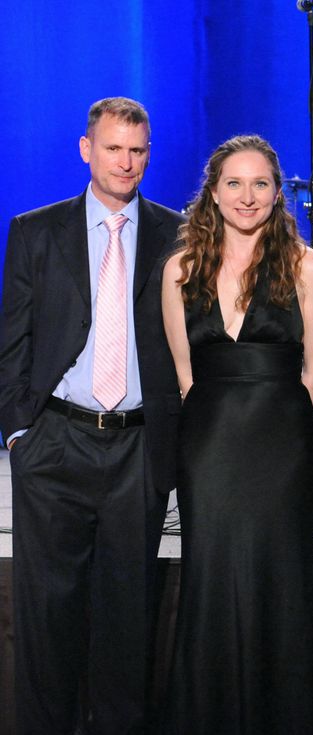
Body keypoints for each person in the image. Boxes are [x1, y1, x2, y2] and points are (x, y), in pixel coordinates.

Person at [0, 97, 183, 734]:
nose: (125, 162)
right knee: (47, 620)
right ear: (86, 150)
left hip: (138, 449)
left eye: (137, 150)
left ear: (148, 154)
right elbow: (13, 340)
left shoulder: (177, 234)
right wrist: (20, 434)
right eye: (113, 148)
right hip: (55, 443)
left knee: (128, 622)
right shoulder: (35, 231)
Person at [160, 134, 313, 732]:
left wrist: (276, 422)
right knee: (210, 573)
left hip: (281, 444)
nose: (247, 195)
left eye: (260, 183)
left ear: (277, 193)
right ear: (212, 192)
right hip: (209, 445)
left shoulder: (306, 265)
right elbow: (185, 374)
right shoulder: (180, 269)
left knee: (280, 576)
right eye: (234, 183)